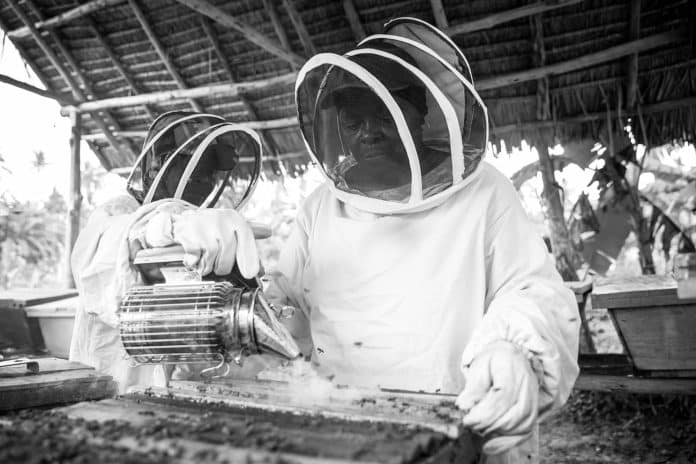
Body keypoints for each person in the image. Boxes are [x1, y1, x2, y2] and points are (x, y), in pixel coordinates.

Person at [79, 18, 580, 463]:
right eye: (353, 119)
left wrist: (514, 349)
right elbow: (285, 304)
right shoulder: (323, 204)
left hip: (452, 412)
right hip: (340, 423)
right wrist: (233, 285)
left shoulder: (485, 191)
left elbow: (532, 289)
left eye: (382, 114)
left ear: (416, 111)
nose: (366, 131)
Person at [68, 111, 264, 390]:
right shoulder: (118, 213)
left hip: (177, 394)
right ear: (156, 167)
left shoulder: (204, 234)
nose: (204, 180)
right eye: (194, 169)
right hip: (112, 389)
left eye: (208, 172)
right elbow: (102, 257)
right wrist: (163, 228)